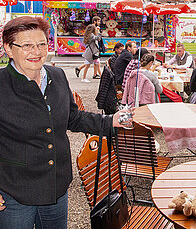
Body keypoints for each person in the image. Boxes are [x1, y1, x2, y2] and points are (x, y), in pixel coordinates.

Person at [0, 16, 131, 229]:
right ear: (8, 47)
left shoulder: (57, 75)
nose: (37, 51)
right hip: (15, 192)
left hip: (56, 186)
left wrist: (110, 122)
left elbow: (73, 117)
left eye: (42, 44)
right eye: (27, 45)